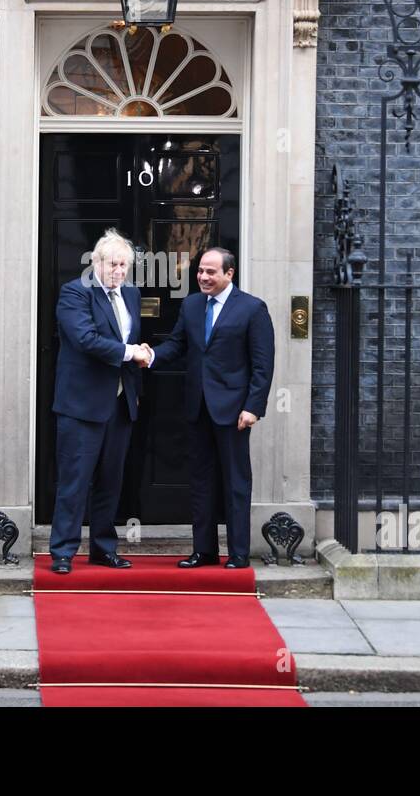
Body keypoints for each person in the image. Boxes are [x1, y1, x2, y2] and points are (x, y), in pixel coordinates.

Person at [142, 248, 274, 569]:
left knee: (235, 483)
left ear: (229, 274)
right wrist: (151, 356)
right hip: (197, 408)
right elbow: (177, 344)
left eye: (211, 272)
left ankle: (239, 552)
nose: (203, 277)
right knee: (200, 481)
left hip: (234, 411)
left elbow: (262, 364)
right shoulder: (191, 304)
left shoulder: (252, 309)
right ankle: (205, 550)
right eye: (200, 271)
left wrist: (253, 407)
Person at [48, 229, 150, 574]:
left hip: (121, 403)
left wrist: (142, 352)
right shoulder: (75, 293)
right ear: (95, 263)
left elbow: (129, 340)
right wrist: (130, 352)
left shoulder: (131, 295)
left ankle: (103, 549)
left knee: (111, 480)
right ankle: (62, 551)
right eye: (112, 264)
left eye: (123, 265)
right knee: (75, 480)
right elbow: (86, 339)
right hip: (81, 404)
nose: (118, 271)